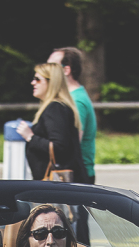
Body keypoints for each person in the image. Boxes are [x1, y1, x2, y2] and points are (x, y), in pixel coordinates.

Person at [16, 64, 88, 184]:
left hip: (57, 183)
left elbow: (59, 147)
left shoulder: (55, 108)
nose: (33, 83)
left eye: (38, 79)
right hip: (59, 182)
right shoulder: (58, 107)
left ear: (52, 82)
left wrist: (30, 137)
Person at [48, 47, 97, 184]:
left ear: (66, 70)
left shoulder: (75, 101)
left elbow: (73, 144)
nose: (47, 70)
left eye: (52, 66)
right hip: (72, 173)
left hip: (76, 175)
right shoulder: (72, 97)